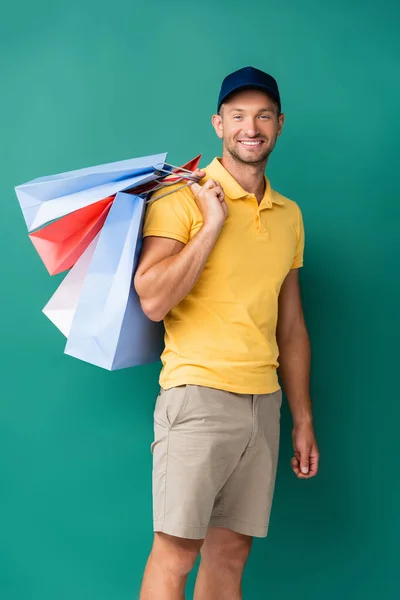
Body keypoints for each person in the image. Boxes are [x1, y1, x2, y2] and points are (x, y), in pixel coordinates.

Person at [134, 66, 320, 600]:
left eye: (263, 115)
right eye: (238, 115)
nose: (250, 127)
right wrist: (212, 225)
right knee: (176, 553)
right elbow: (152, 298)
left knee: (230, 554)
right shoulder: (181, 199)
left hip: (263, 404)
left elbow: (292, 327)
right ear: (219, 124)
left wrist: (302, 418)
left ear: (280, 125)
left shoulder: (289, 216)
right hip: (197, 396)